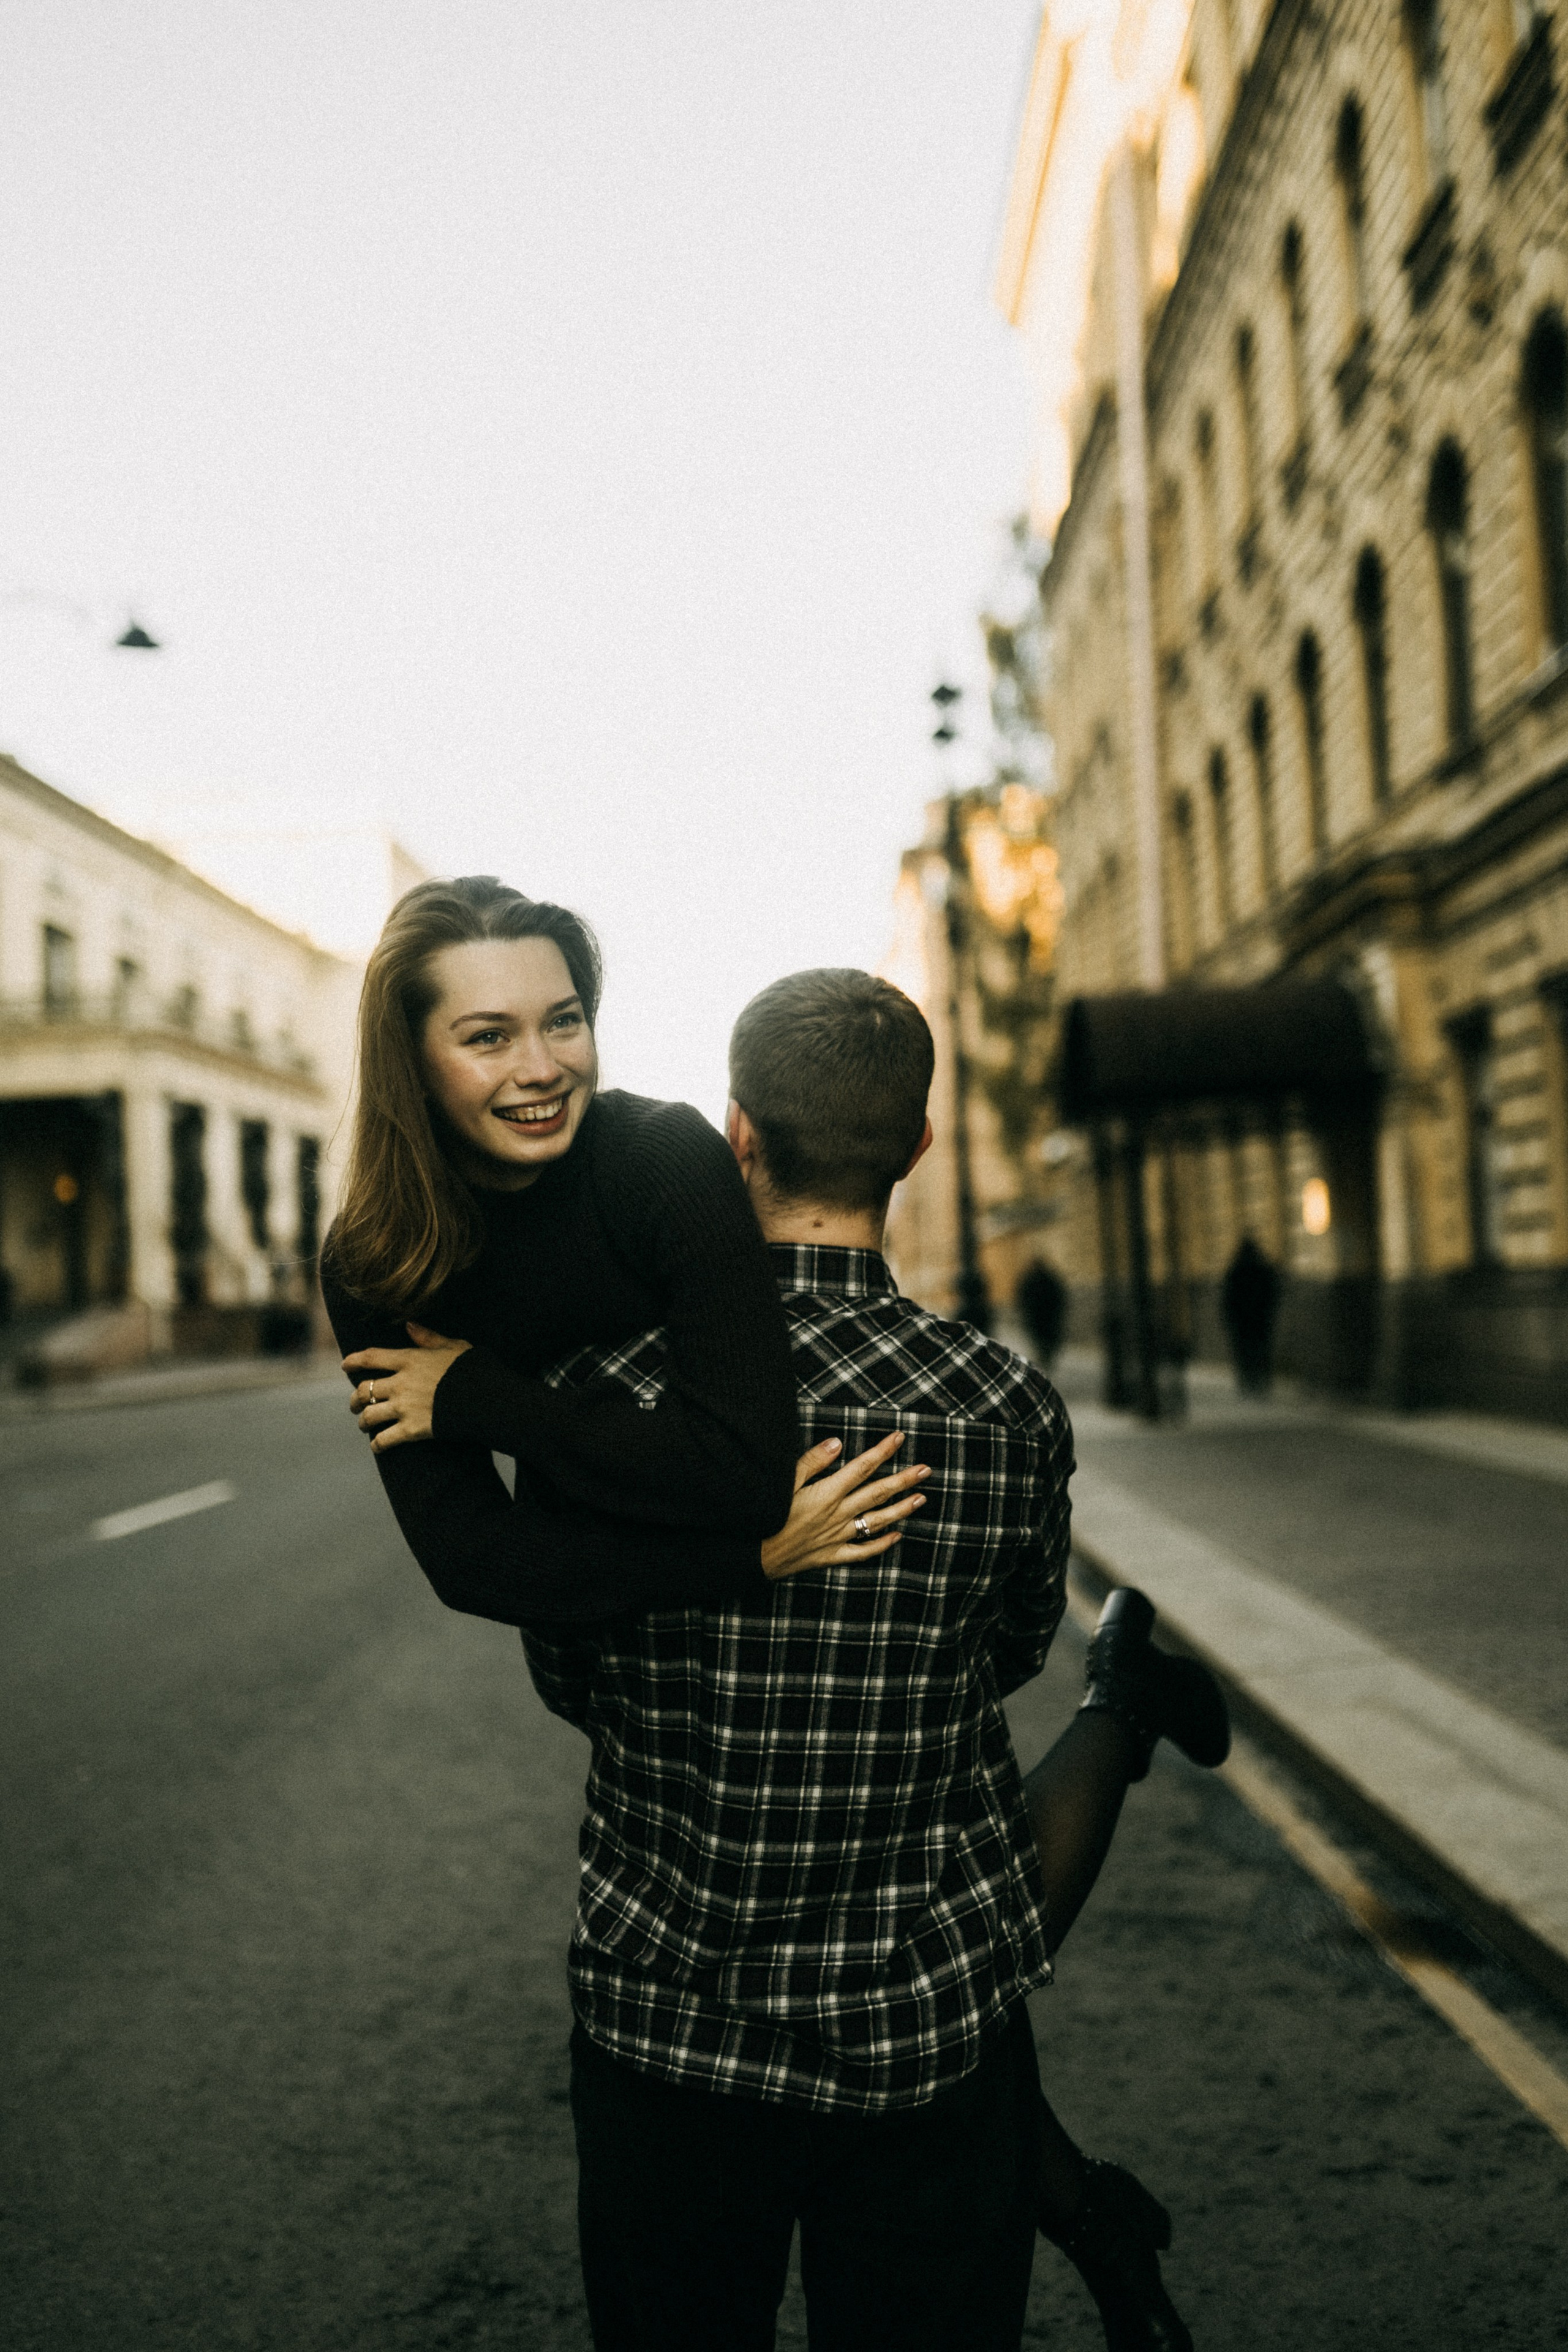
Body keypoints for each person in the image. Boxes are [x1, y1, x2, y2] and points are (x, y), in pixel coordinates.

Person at [501, 970, 1226, 2352]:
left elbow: (568, 1672)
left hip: (668, 2031)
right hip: (921, 2040)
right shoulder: (1007, 1406)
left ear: (737, 1137)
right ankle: (1121, 1708)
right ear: (917, 1146)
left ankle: (1124, 1710)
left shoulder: (603, 1392)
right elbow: (1008, 1654)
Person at [321, 875, 929, 1629]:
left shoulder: (663, 1159)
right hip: (595, 1669)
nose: (542, 1068)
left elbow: (744, 1476)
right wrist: (752, 1560)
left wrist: (478, 1400)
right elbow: (473, 1563)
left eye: (563, 1022)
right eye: (488, 1037)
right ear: (410, 1061)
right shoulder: (373, 1261)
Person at [1220, 1234, 1282, 1396]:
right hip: (1260, 1320)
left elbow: (1228, 1298)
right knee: (1261, 1351)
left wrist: (1229, 1319)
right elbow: (1273, 1291)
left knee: (1244, 1353)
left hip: (1242, 1322)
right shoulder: (1262, 1268)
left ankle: (1248, 1382)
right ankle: (1262, 1381)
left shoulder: (1236, 1270)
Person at [1016, 1257, 1068, 1366]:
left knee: (1041, 1337)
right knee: (1045, 1337)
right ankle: (1046, 1355)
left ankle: (1045, 1355)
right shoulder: (1048, 1278)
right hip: (1045, 1314)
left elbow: (1023, 1296)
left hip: (1040, 1315)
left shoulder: (1031, 1279)